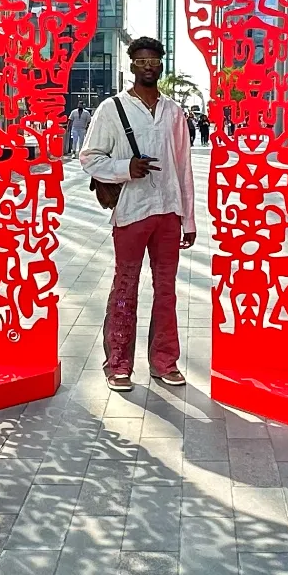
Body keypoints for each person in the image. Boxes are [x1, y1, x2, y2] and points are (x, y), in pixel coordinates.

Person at [80, 37, 197, 392]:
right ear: (131, 65)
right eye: (142, 60)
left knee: (166, 291)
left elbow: (184, 167)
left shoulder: (174, 112)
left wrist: (188, 219)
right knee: (125, 288)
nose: (149, 66)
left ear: (161, 64)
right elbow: (90, 157)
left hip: (169, 212)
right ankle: (118, 364)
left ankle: (165, 362)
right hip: (131, 213)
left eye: (154, 60)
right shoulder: (111, 109)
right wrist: (124, 168)